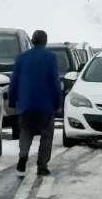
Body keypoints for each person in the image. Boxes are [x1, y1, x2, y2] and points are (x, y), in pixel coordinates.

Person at [8, 29, 62, 177]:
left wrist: (12, 102)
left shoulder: (21, 58)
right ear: (45, 42)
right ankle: (42, 166)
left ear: (32, 41)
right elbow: (55, 82)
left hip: (26, 104)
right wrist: (58, 103)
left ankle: (23, 155)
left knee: (25, 131)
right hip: (46, 105)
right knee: (46, 135)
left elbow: (14, 81)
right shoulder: (50, 57)